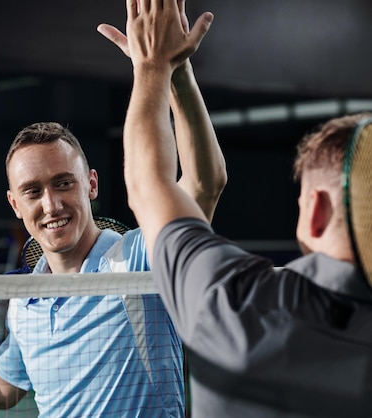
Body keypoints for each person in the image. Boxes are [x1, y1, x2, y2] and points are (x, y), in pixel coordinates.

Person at [0, 12, 227, 416]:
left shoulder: (138, 260)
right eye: (33, 191)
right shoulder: (24, 300)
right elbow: (0, 388)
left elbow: (205, 184)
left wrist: (174, 68)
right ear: (16, 204)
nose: (51, 205)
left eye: (64, 183)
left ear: (91, 185)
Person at [117, 0, 372, 417]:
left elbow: (151, 183)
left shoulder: (236, 303)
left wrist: (153, 66)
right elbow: (172, 184)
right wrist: (172, 70)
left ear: (317, 210)